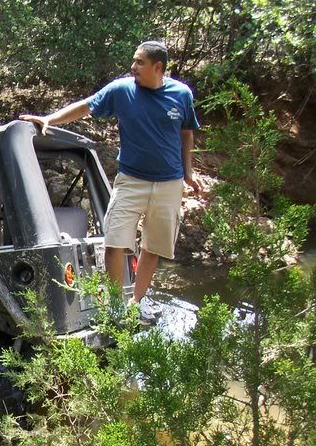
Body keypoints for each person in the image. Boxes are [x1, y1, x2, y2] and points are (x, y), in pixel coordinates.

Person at [20, 40, 200, 322]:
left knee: (153, 247)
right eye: (134, 61)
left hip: (169, 184)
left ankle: (137, 302)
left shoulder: (181, 94)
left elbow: (187, 132)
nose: (133, 67)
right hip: (131, 180)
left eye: (140, 62)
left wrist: (188, 171)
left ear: (158, 67)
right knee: (115, 241)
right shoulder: (122, 90)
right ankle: (116, 306)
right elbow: (87, 106)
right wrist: (49, 119)